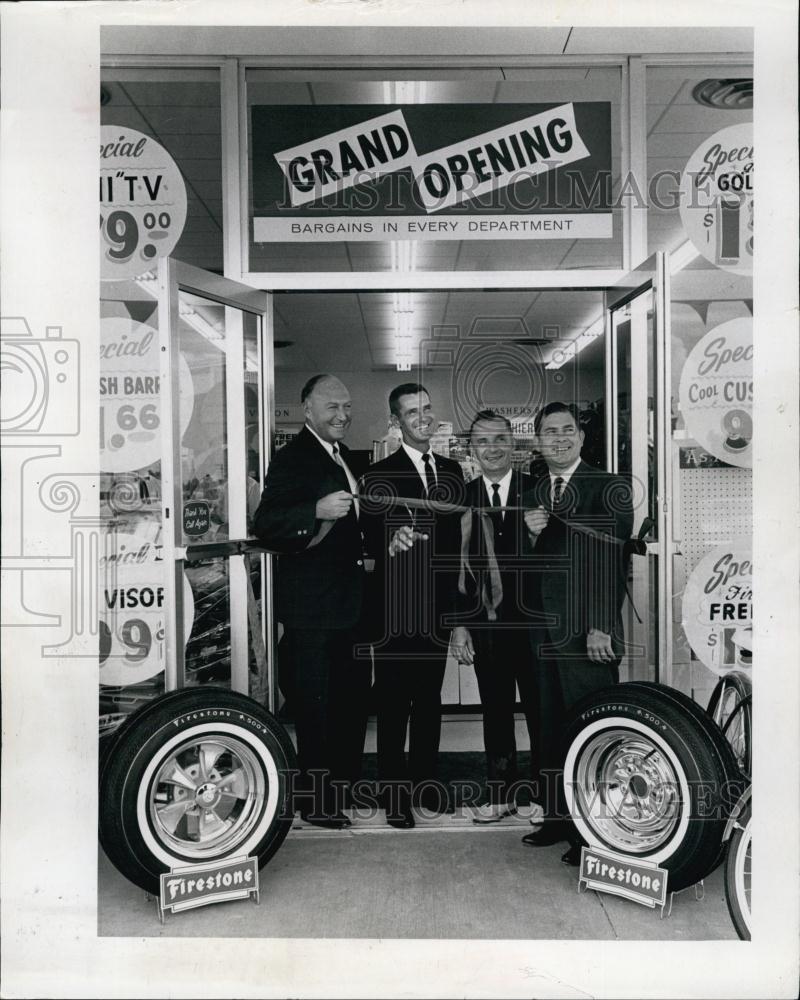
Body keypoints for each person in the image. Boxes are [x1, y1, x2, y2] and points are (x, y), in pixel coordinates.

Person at [252, 374, 371, 829]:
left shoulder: (342, 457)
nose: (342, 415)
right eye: (331, 407)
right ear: (307, 410)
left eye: (346, 406)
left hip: (349, 607)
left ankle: (341, 789)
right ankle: (317, 802)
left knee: (350, 701)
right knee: (317, 706)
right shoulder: (293, 458)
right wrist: (314, 512)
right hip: (313, 610)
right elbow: (267, 522)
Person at [521, 401, 633, 864]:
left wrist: (602, 626)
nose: (560, 439)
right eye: (550, 432)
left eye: (568, 431)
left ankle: (598, 832)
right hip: (542, 633)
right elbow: (524, 566)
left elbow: (613, 560)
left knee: (592, 729)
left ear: (582, 438)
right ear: (539, 441)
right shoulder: (534, 490)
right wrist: (527, 535)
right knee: (547, 726)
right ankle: (557, 818)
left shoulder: (609, 486)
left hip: (588, 632)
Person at [360, 383, 464, 829]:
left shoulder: (453, 471)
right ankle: (394, 796)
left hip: (439, 608)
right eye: (411, 412)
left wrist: (460, 614)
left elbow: (461, 546)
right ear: (395, 422)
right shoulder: (378, 475)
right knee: (393, 702)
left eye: (426, 408)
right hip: (397, 609)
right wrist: (390, 540)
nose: (422, 417)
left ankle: (425, 784)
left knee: (429, 700)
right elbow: (369, 534)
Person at [450, 410, 538, 823]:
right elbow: (452, 567)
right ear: (472, 449)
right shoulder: (461, 499)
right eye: (483, 441)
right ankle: (500, 794)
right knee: (496, 710)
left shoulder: (537, 491)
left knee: (542, 711)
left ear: (514, 444)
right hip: (485, 626)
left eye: (501, 438)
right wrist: (460, 625)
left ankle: (546, 797)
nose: (493, 448)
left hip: (537, 625)